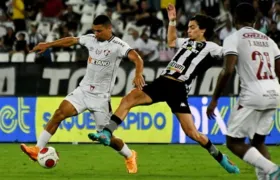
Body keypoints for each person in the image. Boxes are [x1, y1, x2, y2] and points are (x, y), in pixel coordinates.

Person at [89, 3, 240, 174]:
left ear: (203, 30)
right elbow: (171, 41)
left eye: (192, 28)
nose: (189, 31)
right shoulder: (186, 42)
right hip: (162, 82)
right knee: (129, 98)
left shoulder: (212, 48)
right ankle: (107, 133)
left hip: (178, 88)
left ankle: (221, 158)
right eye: (188, 27)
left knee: (192, 133)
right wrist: (172, 21)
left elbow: (230, 55)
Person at [20, 15, 145, 174]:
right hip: (83, 91)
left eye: (99, 31)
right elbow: (71, 40)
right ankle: (37, 149)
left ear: (109, 28)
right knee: (59, 113)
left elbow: (137, 59)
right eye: (94, 30)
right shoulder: (90, 39)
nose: (96, 34)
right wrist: (48, 44)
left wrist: (138, 74)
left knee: (107, 138)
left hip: (101, 98)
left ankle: (129, 155)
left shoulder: (118, 45)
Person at [206, 3, 280, 180]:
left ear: (234, 18)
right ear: (255, 21)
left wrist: (215, 99)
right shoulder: (269, 41)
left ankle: (272, 169)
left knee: (233, 142)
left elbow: (228, 70)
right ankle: (268, 176)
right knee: (258, 142)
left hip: (253, 94)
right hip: (275, 93)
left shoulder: (234, 38)